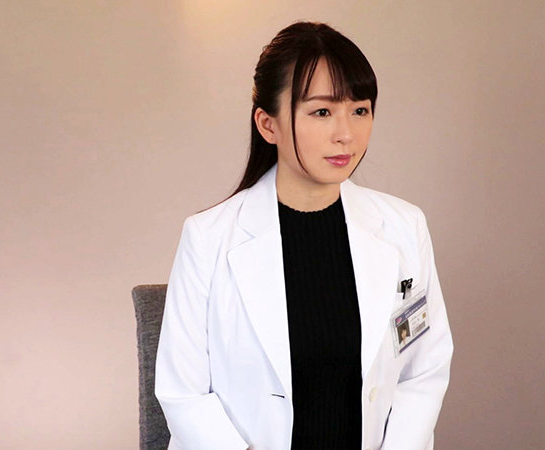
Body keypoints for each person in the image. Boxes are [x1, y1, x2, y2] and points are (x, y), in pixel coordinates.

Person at [154, 22, 453, 450]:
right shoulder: (208, 238)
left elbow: (424, 369)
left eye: (360, 110)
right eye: (321, 112)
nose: (346, 134)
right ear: (268, 124)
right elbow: (183, 394)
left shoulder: (404, 227)